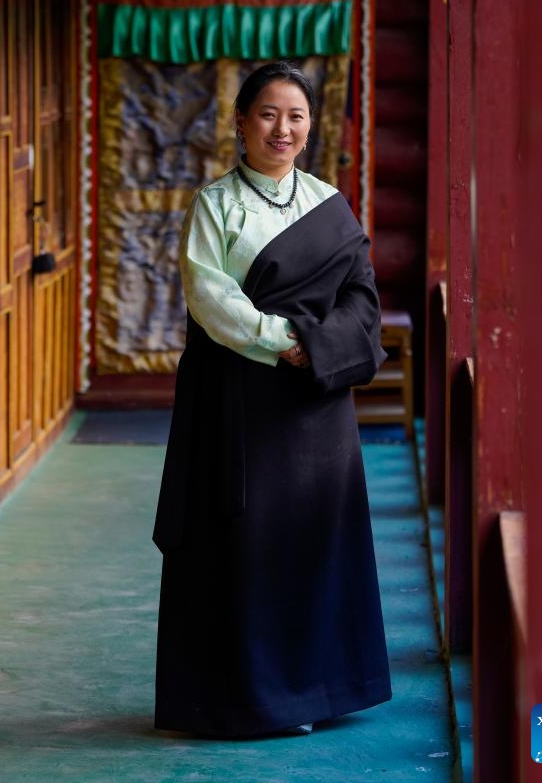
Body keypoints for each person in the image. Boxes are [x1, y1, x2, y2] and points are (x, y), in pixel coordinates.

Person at [153, 61, 392, 738]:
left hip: (314, 407)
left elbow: (360, 299)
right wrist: (281, 340)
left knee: (315, 539)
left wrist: (311, 351)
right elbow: (209, 297)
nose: (281, 128)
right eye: (266, 114)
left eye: (295, 116)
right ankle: (251, 698)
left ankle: (320, 687)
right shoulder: (215, 205)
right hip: (238, 399)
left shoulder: (329, 204)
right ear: (239, 122)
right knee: (247, 545)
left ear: (310, 126)